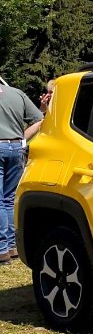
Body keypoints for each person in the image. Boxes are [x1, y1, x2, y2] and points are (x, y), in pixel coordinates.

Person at [0, 78, 44, 265]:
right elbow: (40, 119)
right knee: (9, 199)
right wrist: (22, 139)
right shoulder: (17, 93)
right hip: (17, 148)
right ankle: (12, 246)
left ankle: (2, 250)